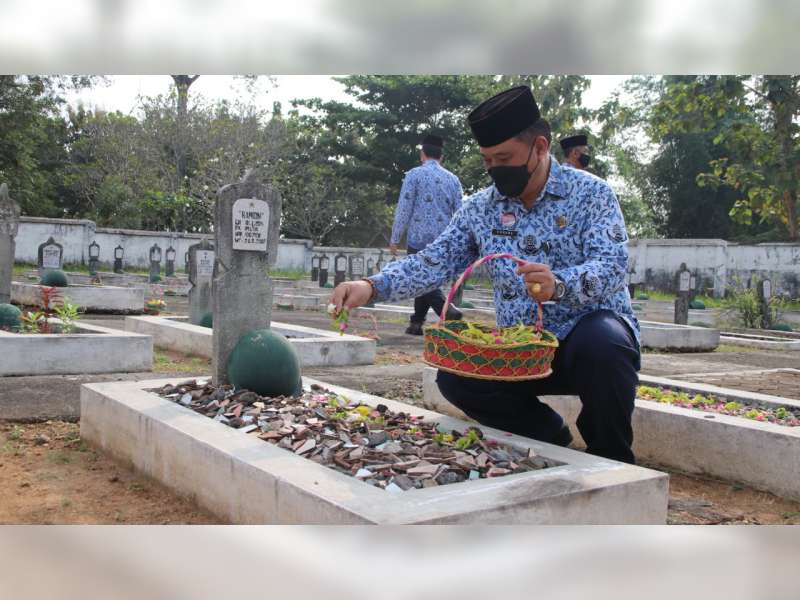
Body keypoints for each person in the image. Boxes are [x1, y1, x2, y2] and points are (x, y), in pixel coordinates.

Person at [331, 86, 640, 464]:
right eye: (488, 160)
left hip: (583, 343)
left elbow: (610, 266)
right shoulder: (480, 209)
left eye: (505, 158)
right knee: (455, 375)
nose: (495, 169)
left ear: (540, 147)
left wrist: (559, 285)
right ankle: (549, 437)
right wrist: (371, 286)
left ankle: (612, 458)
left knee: (606, 342)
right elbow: (436, 259)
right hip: (520, 351)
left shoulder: (592, 195)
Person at [389, 134, 464, 335]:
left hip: (418, 239)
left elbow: (404, 209)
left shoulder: (414, 175)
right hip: (444, 240)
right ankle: (416, 323)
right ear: (442, 156)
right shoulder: (453, 180)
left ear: (422, 155)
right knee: (426, 277)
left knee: (419, 277)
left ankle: (447, 311)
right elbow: (460, 214)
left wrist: (395, 238)